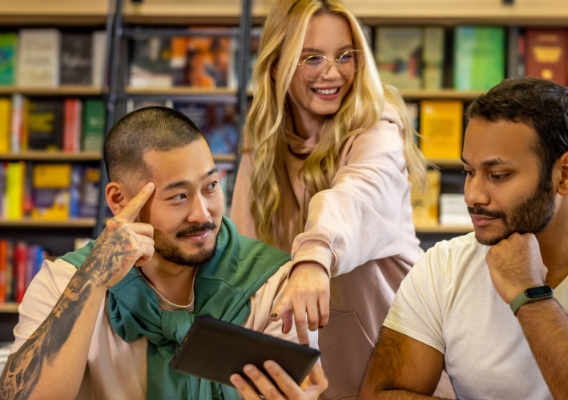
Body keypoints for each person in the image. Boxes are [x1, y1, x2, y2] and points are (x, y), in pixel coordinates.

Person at [360, 77, 568, 400]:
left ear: (565, 175)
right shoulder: (443, 265)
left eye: (498, 175)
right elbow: (381, 394)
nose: (472, 195)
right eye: (469, 172)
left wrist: (530, 294)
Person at [0, 106, 327, 400]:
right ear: (119, 201)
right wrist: (94, 279)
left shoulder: (275, 286)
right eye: (179, 196)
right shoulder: (64, 283)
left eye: (211, 186)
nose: (202, 214)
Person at [229, 1, 449, 398]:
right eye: (311, 58)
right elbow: (245, 249)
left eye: (345, 56)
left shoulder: (376, 124)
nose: (332, 72)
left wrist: (314, 256)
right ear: (277, 65)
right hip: (309, 372)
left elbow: (358, 192)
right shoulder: (262, 134)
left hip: (397, 366)